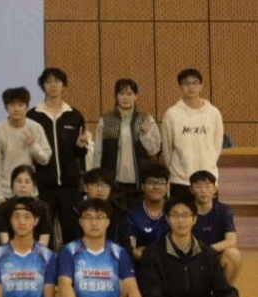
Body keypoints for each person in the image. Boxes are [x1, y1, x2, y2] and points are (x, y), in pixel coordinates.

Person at [138, 196, 258, 297]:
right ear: (167, 219)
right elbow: (151, 294)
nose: (181, 220)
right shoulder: (153, 253)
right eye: (175, 215)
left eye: (186, 215)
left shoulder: (207, 253)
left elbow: (225, 290)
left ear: (194, 219)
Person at [57, 199, 149, 297]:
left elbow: (132, 287)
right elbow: (64, 284)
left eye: (99, 217)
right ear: (80, 222)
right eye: (88, 217)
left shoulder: (119, 252)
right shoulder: (70, 250)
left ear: (107, 222)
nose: (94, 223)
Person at [27, 68, 90, 245]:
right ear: (42, 86)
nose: (53, 85)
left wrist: (81, 146)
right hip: (43, 184)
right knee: (43, 234)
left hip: (70, 185)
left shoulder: (74, 115)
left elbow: (81, 153)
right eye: (48, 82)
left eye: (57, 81)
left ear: (64, 85)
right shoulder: (33, 115)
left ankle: (71, 262)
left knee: (72, 232)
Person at [94, 78, 161, 206]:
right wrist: (97, 178)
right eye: (122, 94)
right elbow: (98, 152)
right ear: (116, 96)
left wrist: (145, 134)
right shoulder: (107, 120)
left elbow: (154, 150)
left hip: (139, 182)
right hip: (113, 182)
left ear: (136, 96)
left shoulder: (144, 119)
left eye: (129, 94)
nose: (125, 98)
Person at [162, 68, 224, 200]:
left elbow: (217, 145)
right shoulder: (172, 114)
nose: (191, 87)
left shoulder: (213, 113)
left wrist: (209, 164)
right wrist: (177, 171)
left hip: (207, 179)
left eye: (195, 83)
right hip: (180, 180)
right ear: (180, 86)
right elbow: (167, 149)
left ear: (201, 85)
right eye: (186, 83)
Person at [0, 87, 52, 206]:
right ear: (6, 107)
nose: (16, 109)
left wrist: (33, 145)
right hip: (6, 193)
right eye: (12, 105)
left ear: (27, 107)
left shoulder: (36, 128)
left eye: (21, 105)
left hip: (30, 192)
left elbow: (45, 159)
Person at [188, 170, 241, 284]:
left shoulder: (224, 210)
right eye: (198, 186)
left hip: (214, 254)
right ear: (191, 189)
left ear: (215, 189)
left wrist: (207, 250)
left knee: (233, 254)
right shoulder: (186, 210)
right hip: (191, 255)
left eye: (208, 186)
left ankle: (226, 291)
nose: (203, 191)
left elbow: (231, 241)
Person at [0, 166, 54, 249]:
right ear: (12, 184)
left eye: (27, 182)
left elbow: (44, 239)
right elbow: (4, 240)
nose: (23, 185)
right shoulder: (3, 208)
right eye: (19, 181)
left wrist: (34, 255)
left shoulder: (43, 208)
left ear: (34, 186)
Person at [75, 168, 131, 248]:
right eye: (95, 185)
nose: (100, 190)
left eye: (105, 186)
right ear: (86, 188)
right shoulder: (75, 210)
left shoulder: (118, 212)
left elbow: (124, 243)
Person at [127, 163, 170, 259]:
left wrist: (148, 252)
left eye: (161, 182)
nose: (156, 187)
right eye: (151, 182)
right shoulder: (133, 213)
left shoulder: (174, 209)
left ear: (167, 186)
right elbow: (133, 250)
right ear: (142, 186)